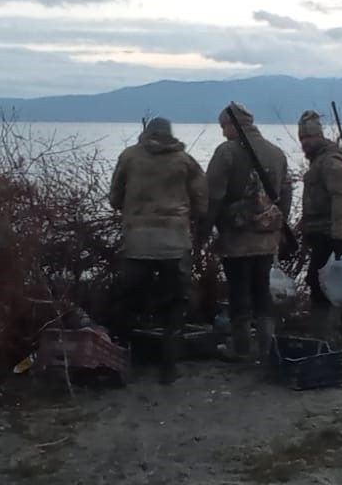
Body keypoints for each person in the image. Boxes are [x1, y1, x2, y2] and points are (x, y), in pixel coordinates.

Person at [109, 117, 207, 384]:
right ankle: (169, 367)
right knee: (176, 303)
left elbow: (114, 198)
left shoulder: (129, 157)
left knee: (128, 302)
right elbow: (201, 202)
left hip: (137, 243)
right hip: (175, 243)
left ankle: (122, 361)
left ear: (146, 133)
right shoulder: (185, 161)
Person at [204, 103, 292, 361]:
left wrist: (205, 229)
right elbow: (286, 193)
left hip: (236, 236)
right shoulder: (277, 153)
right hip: (267, 237)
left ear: (234, 125)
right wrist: (278, 224)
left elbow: (213, 196)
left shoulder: (227, 152)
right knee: (261, 289)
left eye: (224, 127)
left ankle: (241, 348)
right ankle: (266, 347)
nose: (223, 133)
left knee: (239, 289)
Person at [298, 109, 342, 343]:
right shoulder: (320, 160)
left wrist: (338, 236)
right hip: (321, 232)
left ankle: (326, 337)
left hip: (329, 235)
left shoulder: (330, 161)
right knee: (321, 284)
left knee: (322, 285)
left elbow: (341, 198)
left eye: (308, 138)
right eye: (302, 139)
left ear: (318, 137)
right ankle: (327, 335)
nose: (304, 144)